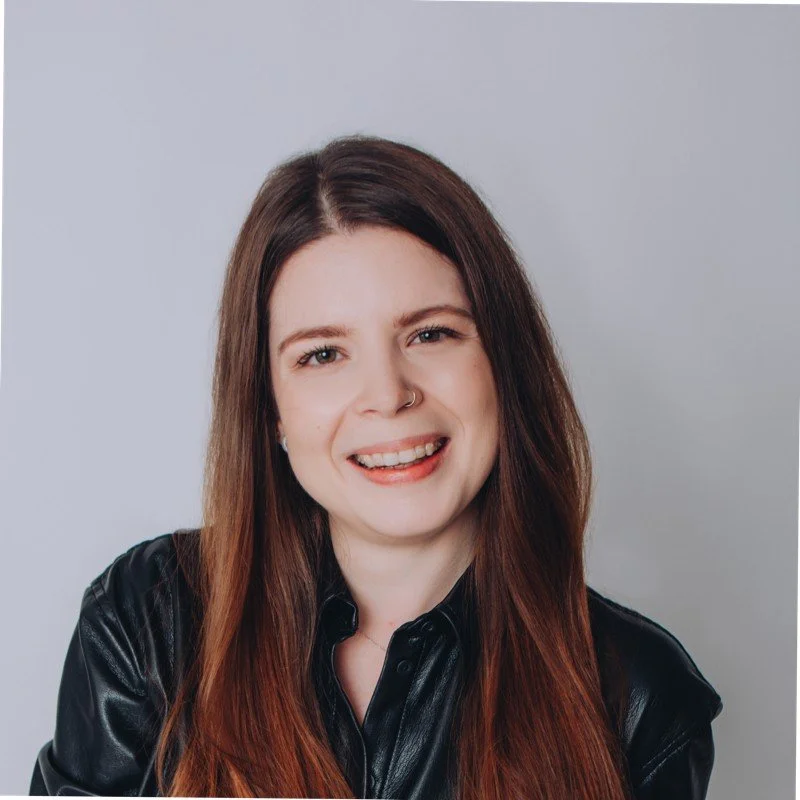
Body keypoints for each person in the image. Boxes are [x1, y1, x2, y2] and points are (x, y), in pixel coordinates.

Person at [29, 135, 723, 799]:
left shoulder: (638, 699)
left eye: (431, 333)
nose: (389, 395)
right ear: (268, 406)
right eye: (323, 355)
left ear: (504, 363)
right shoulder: (147, 623)